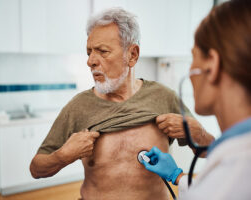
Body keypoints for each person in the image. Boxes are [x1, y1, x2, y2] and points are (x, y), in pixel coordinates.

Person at [30, 8, 214, 200]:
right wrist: (62, 156)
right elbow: (36, 169)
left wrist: (198, 132)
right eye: (89, 52)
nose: (91, 61)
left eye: (102, 51)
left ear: (132, 55)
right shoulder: (77, 107)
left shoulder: (164, 97)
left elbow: (210, 152)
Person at [142, 0, 251, 199]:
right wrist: (177, 176)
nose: (190, 72)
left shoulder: (239, 167)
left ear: (212, 65)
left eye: (194, 57)